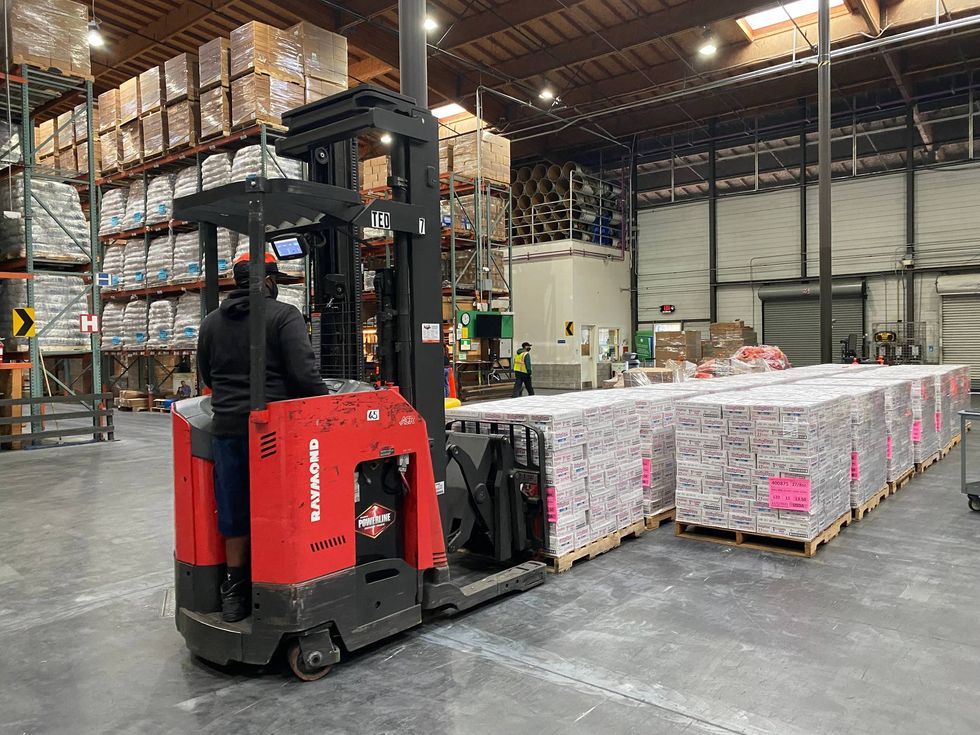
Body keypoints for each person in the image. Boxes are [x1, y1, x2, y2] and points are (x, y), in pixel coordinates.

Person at [197, 253, 328, 622]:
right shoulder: (284, 316)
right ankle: (284, 584)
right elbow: (303, 374)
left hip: (227, 428)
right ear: (269, 282)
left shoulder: (210, 322)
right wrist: (330, 403)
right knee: (285, 509)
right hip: (277, 432)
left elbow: (206, 373)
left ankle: (236, 594)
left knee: (235, 510)